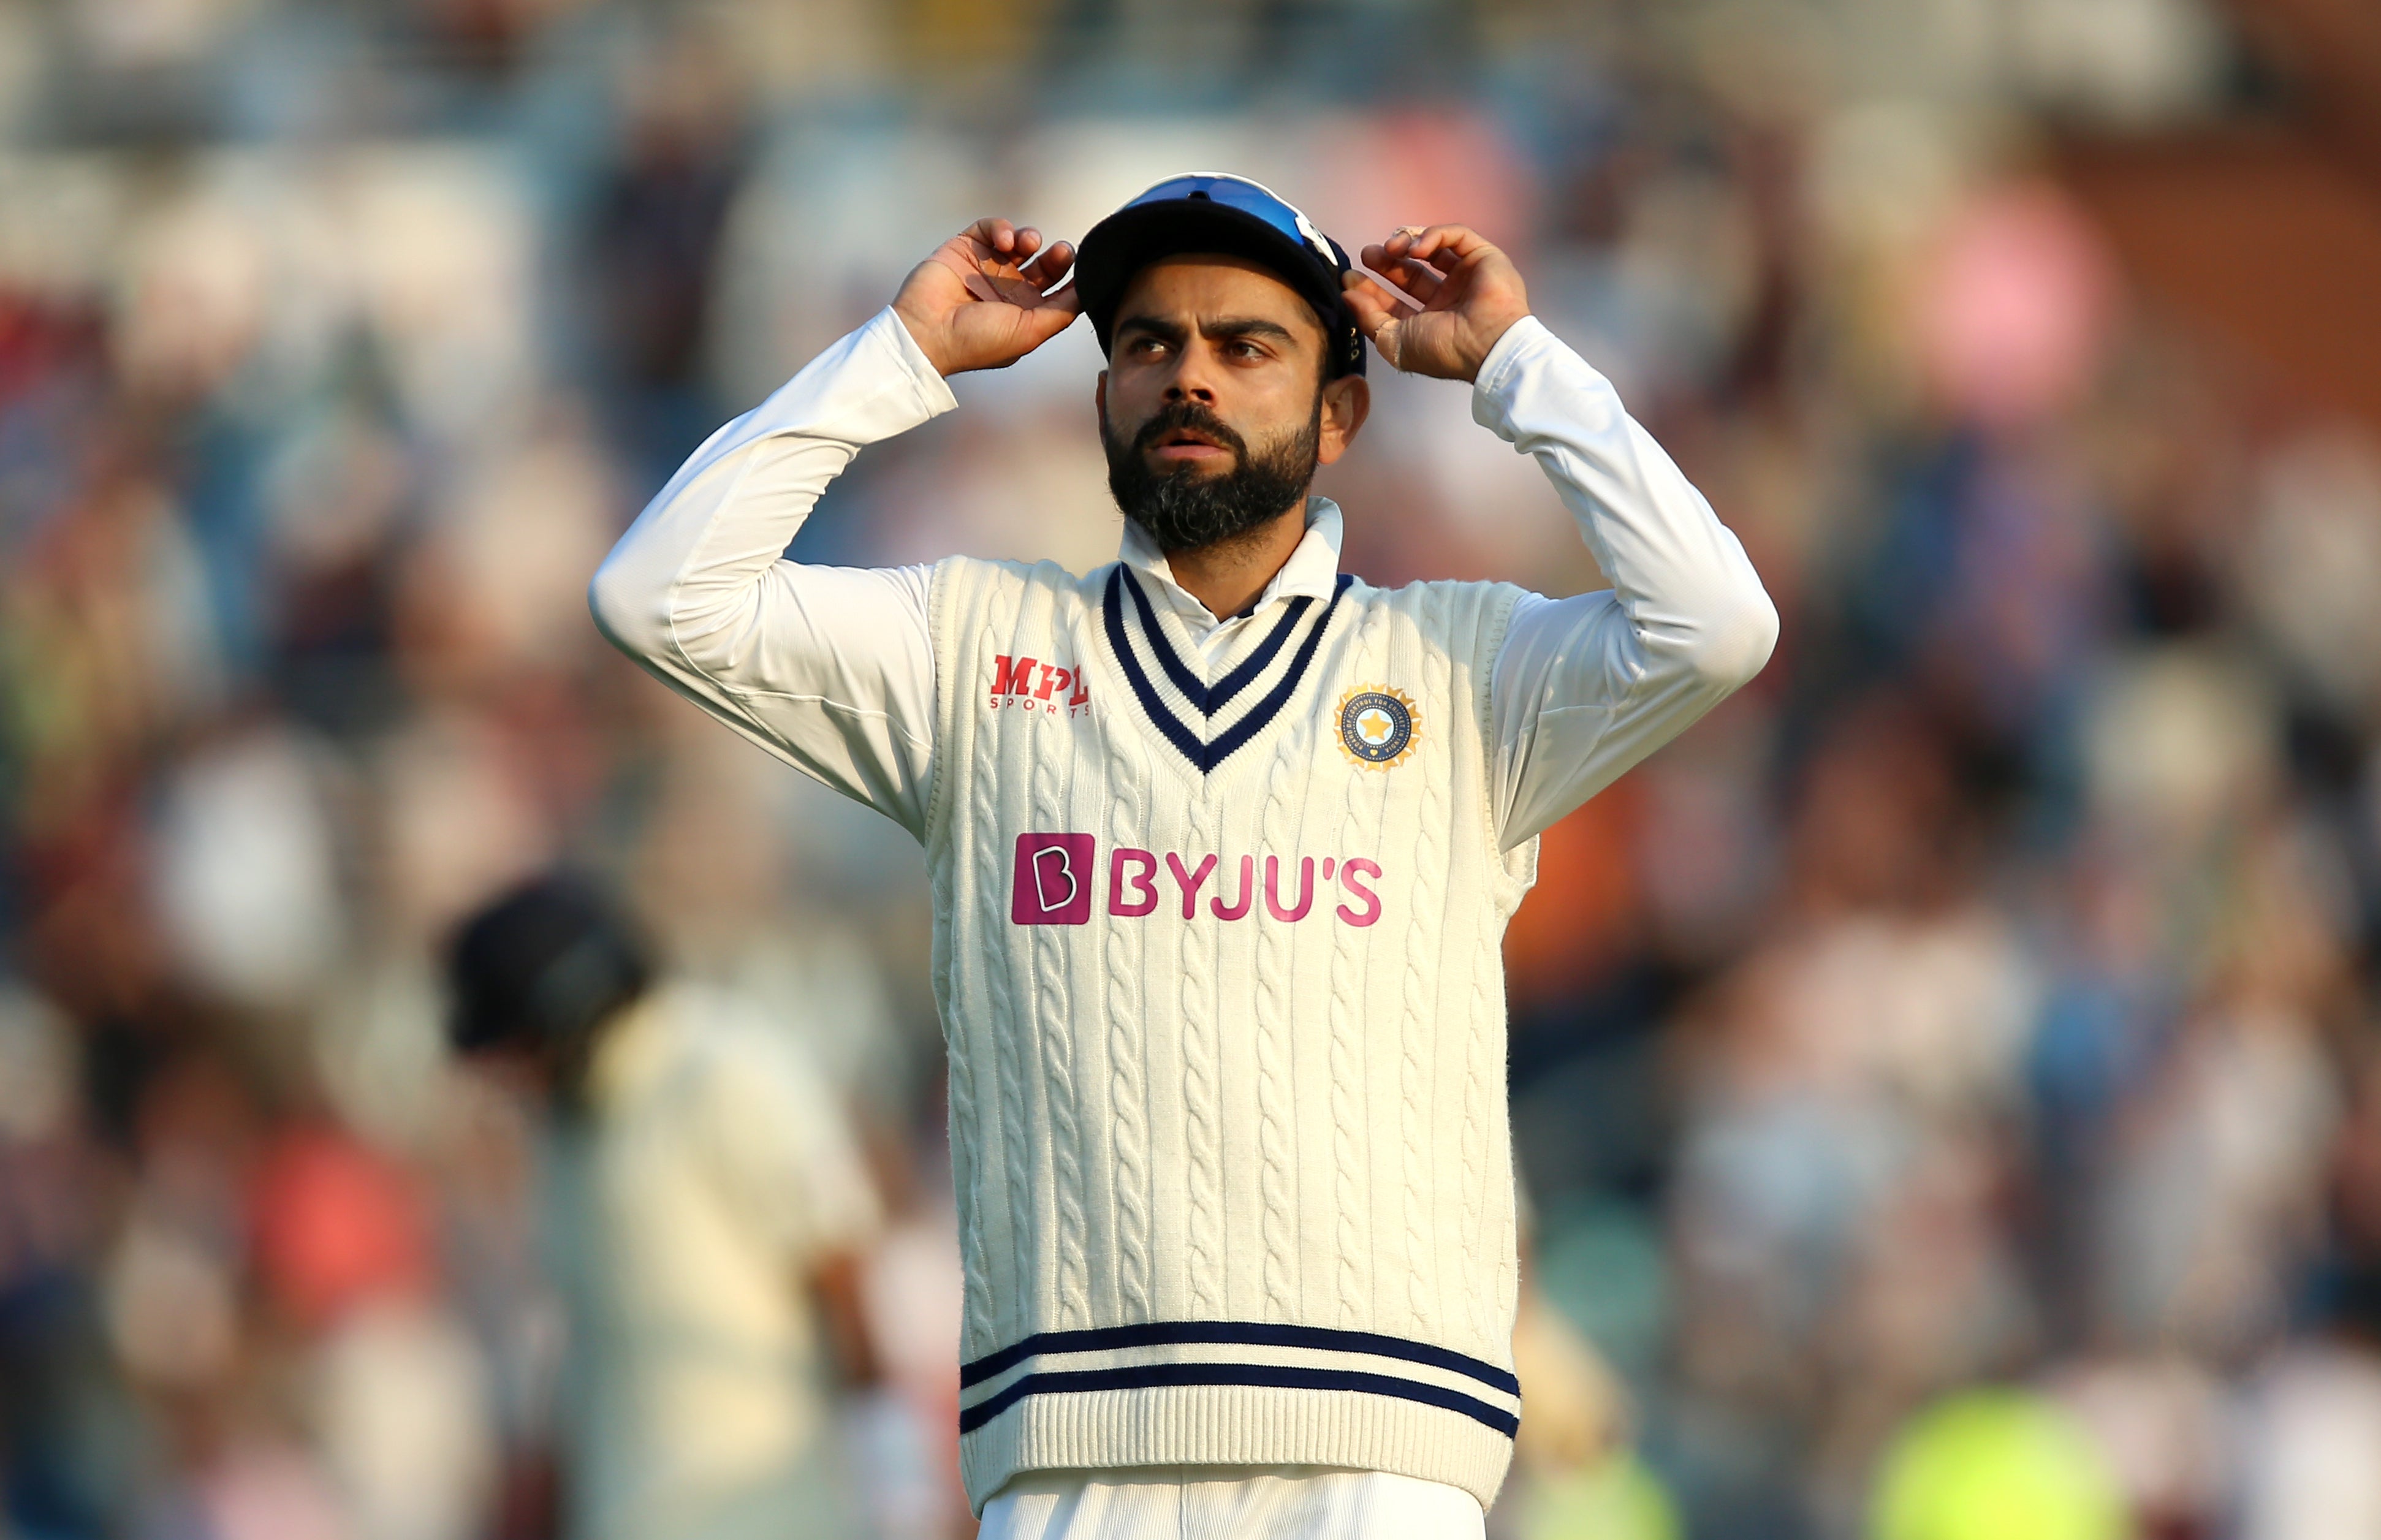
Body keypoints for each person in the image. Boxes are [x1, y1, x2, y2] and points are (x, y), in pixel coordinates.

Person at [590, 172, 1777, 1539]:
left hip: (1378, 1451)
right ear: (1102, 395)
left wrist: (1516, 368)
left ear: (1340, 410)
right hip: (1072, 1457)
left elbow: (1712, 623)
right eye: (1148, 343)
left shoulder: (1456, 668)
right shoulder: (973, 654)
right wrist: (899, 359)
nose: (1187, 377)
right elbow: (657, 593)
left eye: (1245, 344)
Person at [446, 874, 884, 1540]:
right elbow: (585, 1350)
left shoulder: (722, 1067)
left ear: (568, 1007)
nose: (512, 1077)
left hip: (768, 1511)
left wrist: (896, 1472)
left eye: (519, 1045)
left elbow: (838, 1266)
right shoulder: (566, 1132)